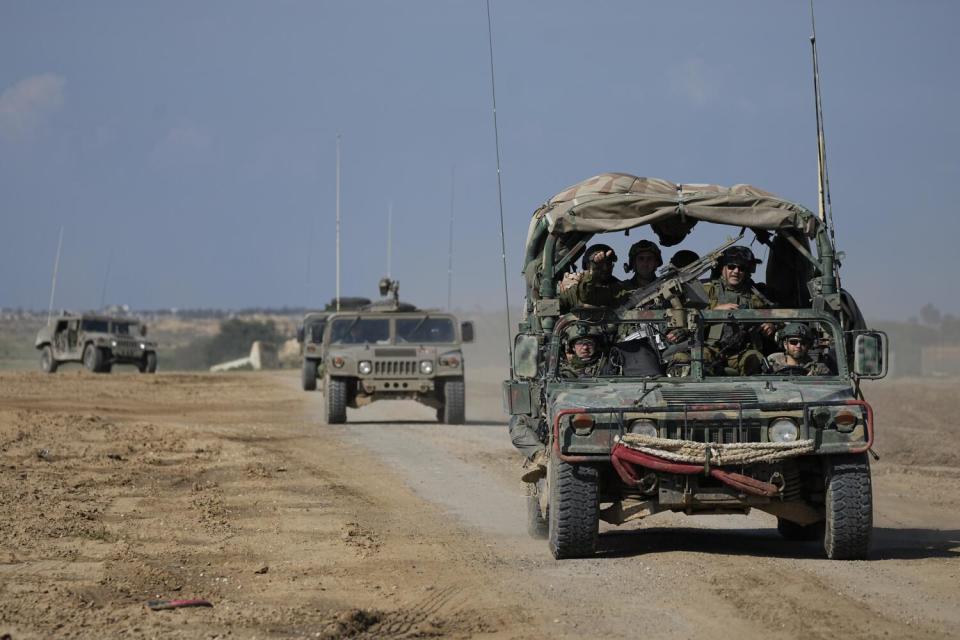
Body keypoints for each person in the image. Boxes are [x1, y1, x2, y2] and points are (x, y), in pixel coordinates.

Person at [701, 245, 776, 375]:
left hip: (741, 352)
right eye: (731, 266)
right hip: (711, 349)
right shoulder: (707, 291)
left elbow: (778, 315)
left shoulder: (756, 296)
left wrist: (771, 324)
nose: (736, 271)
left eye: (741, 268)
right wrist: (715, 312)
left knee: (755, 359)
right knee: (699, 358)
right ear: (722, 268)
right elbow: (688, 318)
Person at [558, 244, 623, 310]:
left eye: (608, 263)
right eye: (601, 264)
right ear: (587, 265)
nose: (605, 268)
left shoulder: (619, 288)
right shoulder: (573, 286)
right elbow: (585, 295)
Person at [767, 322, 832, 375]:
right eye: (793, 342)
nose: (798, 345)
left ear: (808, 346)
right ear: (785, 344)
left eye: (803, 343)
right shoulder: (772, 362)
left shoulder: (818, 368)